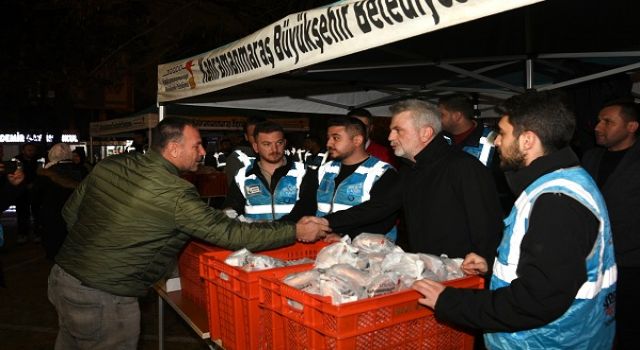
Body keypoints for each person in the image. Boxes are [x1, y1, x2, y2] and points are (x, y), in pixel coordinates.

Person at [47, 117, 329, 350]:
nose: (203, 152)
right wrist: (294, 230)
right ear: (172, 149)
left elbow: (71, 213)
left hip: (63, 278)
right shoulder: (176, 193)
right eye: (196, 146)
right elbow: (231, 235)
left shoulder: (110, 165)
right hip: (104, 297)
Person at [412, 91, 616, 349]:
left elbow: (537, 300)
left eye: (502, 133)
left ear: (527, 140)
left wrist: (450, 301)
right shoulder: (560, 181)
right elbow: (555, 265)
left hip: (547, 342)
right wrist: (492, 265)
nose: (496, 141)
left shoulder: (556, 200)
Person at [305, 100, 502, 261]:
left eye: (398, 130)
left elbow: (487, 226)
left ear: (426, 133)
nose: (390, 136)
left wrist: (481, 262)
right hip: (426, 268)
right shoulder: (411, 169)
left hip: (461, 273)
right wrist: (325, 222)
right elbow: (379, 207)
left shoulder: (463, 167)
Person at [582, 99, 639, 349]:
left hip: (632, 263)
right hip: (593, 261)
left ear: (632, 126)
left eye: (608, 122)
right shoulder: (590, 157)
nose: (598, 127)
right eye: (598, 120)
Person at [284, 117, 399, 241]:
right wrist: (281, 227)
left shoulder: (383, 173)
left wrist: (346, 236)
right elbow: (306, 205)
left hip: (369, 252)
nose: (328, 143)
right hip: (325, 249)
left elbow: (383, 218)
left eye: (336, 138)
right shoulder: (323, 170)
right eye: (329, 138)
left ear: (357, 140)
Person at [223, 121, 306, 221]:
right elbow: (231, 210)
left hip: (293, 235)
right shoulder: (242, 176)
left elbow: (311, 210)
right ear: (256, 147)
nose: (274, 149)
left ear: (284, 143)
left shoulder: (302, 172)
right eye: (267, 144)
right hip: (256, 236)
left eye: (279, 143)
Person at [32, 143, 85, 259]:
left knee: (54, 239)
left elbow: (37, 194)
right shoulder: (80, 169)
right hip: (75, 210)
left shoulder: (45, 172)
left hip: (52, 211)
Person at [438, 94, 497, 167]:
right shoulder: (439, 137)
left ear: (457, 116)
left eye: (441, 115)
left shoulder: (494, 141)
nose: (438, 119)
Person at [224, 116, 266, 186]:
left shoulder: (277, 154)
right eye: (253, 135)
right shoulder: (236, 159)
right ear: (246, 137)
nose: (258, 139)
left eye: (261, 134)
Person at [14, 142, 40, 244]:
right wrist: (25, 185)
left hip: (35, 191)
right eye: (28, 150)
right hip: (21, 191)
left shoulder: (38, 159)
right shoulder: (17, 159)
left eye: (33, 150)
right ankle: (22, 234)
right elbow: (15, 174)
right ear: (23, 150)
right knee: (22, 214)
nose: (31, 152)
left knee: (37, 213)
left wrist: (34, 184)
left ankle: (37, 233)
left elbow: (41, 173)